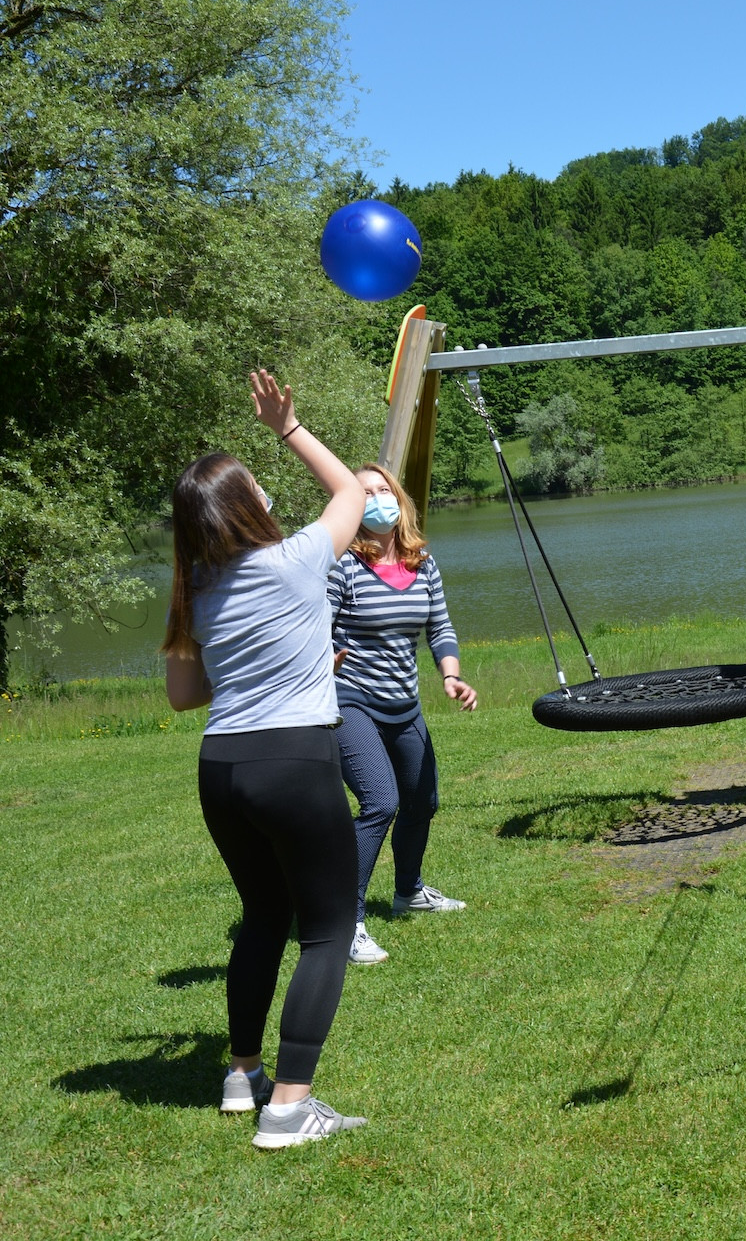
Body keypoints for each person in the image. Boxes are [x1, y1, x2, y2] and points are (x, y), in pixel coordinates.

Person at [162, 370, 371, 1148]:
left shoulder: (195, 587)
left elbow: (186, 697)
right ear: (248, 505)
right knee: (327, 927)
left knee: (262, 916)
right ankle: (289, 1105)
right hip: (293, 758)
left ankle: (242, 1072)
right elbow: (350, 490)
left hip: (223, 767)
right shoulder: (297, 560)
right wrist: (287, 428)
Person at [328, 463, 476, 965]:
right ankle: (345, 923)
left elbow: (440, 626)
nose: (375, 500)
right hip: (351, 701)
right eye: (363, 493)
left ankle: (408, 891)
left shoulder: (422, 562)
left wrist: (450, 675)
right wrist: (323, 658)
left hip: (404, 704)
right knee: (380, 803)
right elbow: (315, 626)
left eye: (382, 490)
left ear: (399, 498)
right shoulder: (343, 563)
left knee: (422, 800)